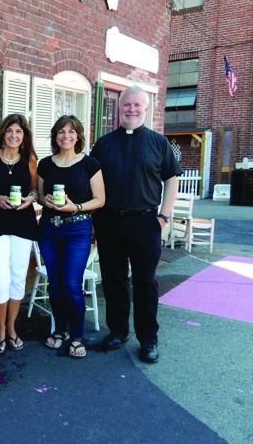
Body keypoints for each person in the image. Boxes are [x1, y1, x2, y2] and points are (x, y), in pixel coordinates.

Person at [90, 85, 182, 364]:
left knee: (145, 282)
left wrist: (164, 217)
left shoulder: (159, 143)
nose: (131, 109)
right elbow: (92, 182)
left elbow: (171, 180)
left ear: (146, 109)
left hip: (145, 222)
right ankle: (118, 331)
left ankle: (148, 339)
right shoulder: (104, 144)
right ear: (120, 108)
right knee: (114, 280)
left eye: (137, 105)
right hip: (109, 222)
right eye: (126, 105)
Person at [37, 116, 105, 358]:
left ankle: (77, 336)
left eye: (71, 132)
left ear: (78, 136)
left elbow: (100, 199)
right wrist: (42, 200)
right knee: (55, 284)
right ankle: (60, 331)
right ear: (55, 136)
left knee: (71, 285)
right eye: (61, 132)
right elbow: (40, 195)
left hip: (77, 230)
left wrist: (74, 207)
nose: (66, 136)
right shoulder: (45, 164)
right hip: (48, 229)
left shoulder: (90, 164)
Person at [0, 114, 38, 353]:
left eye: (19, 132)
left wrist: (30, 199)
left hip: (23, 220)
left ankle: (12, 327)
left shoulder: (30, 159)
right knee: (0, 276)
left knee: (18, 275)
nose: (14, 136)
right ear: (3, 133)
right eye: (10, 131)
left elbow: (35, 189)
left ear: (24, 136)